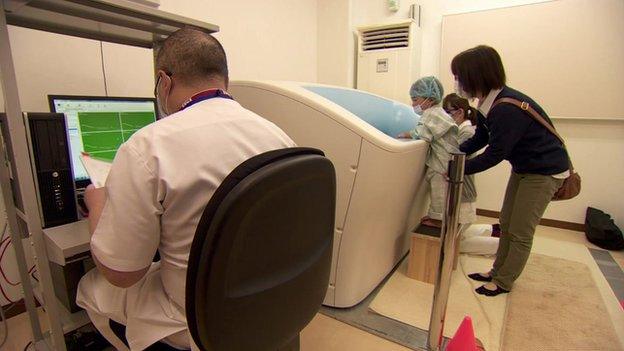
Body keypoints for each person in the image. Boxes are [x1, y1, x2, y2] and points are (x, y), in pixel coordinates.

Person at [76, 27, 296, 350]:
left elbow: (123, 274)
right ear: (225, 80)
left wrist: (97, 205)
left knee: (90, 286)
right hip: (266, 297)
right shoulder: (278, 137)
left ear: (164, 82)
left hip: (193, 318)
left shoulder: (146, 147)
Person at [452, 45, 569, 296]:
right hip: (524, 167)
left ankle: (504, 281)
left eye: (459, 76)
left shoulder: (506, 107)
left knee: (520, 230)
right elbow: (481, 138)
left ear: (476, 75)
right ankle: (496, 270)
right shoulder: (488, 102)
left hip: (545, 171)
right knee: (506, 222)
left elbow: (496, 153)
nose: (458, 82)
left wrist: (459, 168)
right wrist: (456, 152)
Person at [397, 76, 458, 228]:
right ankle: (437, 217)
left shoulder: (433, 113)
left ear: (429, 98)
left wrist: (405, 135)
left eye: (415, 99)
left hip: (442, 164)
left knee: (439, 191)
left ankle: (437, 220)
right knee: (439, 191)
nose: (413, 104)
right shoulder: (437, 113)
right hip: (444, 160)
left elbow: (423, 133)